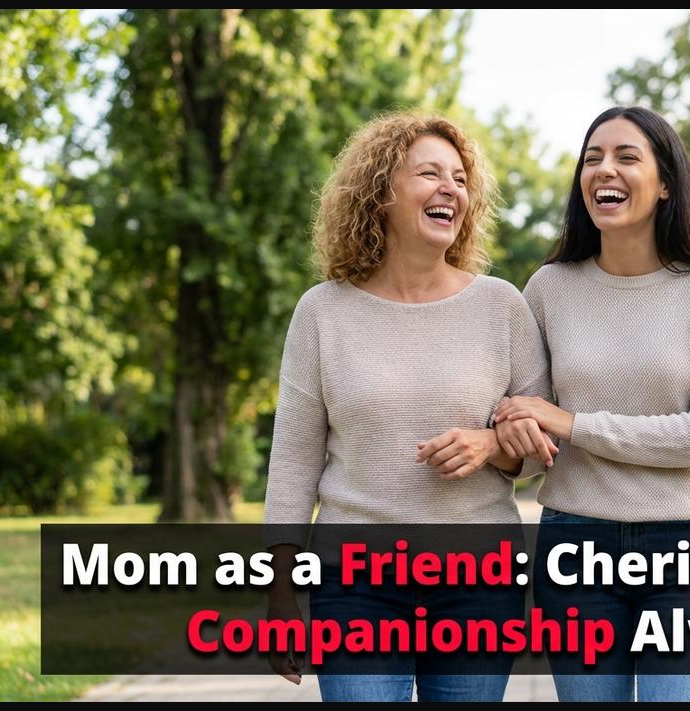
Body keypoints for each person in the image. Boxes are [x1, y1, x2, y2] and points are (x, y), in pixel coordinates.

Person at [263, 112, 556, 702]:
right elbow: (294, 461)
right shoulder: (322, 312)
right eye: (429, 173)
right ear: (381, 194)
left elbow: (541, 449)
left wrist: (494, 446)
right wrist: (279, 593)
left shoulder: (503, 307)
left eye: (459, 178)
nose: (450, 187)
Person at [494, 106, 690, 702]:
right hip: (575, 547)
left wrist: (571, 422)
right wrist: (508, 435)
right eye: (592, 158)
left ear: (666, 184)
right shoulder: (549, 289)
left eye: (625, 156)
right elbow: (536, 443)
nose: (603, 169)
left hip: (689, 548)